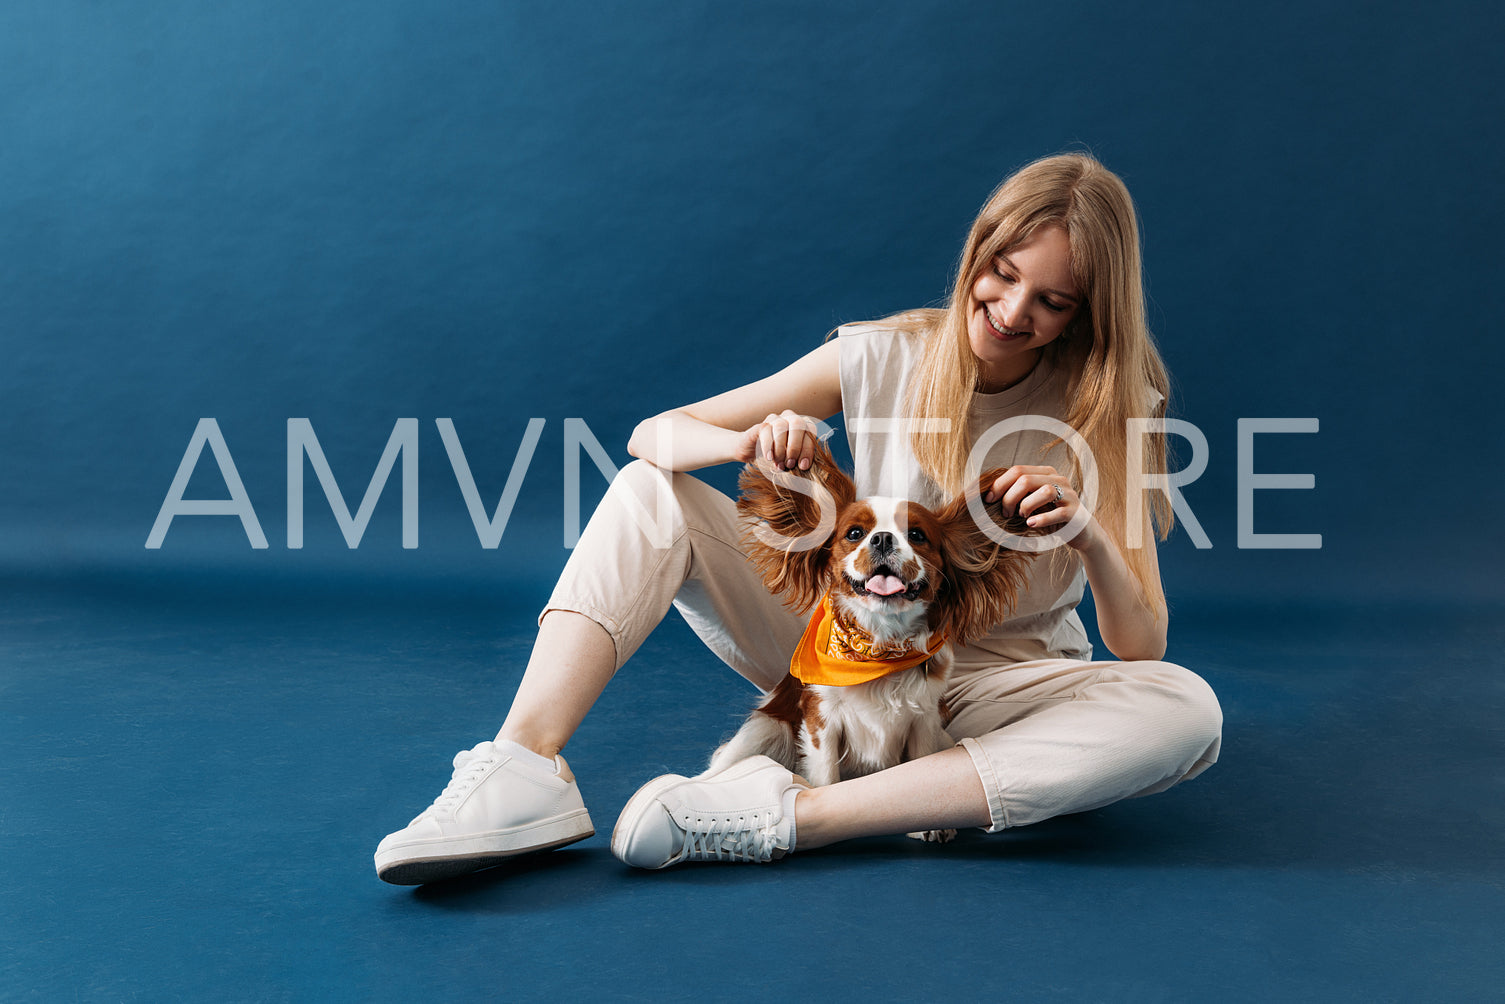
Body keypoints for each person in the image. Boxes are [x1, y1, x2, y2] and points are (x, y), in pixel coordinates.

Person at [374, 152, 1223, 883]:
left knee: (1182, 705)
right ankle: (527, 765)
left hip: (1005, 687)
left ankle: (796, 815)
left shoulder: (1114, 411)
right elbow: (652, 436)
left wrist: (1087, 533)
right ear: (976, 252)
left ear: (1088, 313)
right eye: (1001, 273)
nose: (1010, 313)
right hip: (845, 651)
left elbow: (1139, 642)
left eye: (1053, 302)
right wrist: (750, 440)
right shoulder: (885, 351)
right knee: (648, 491)